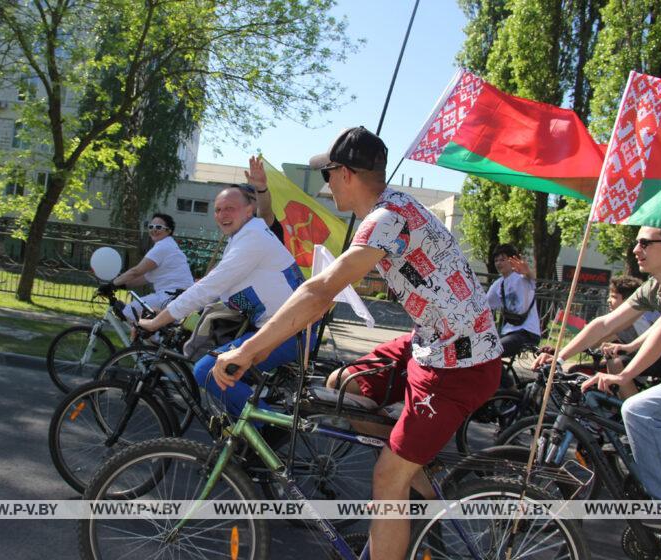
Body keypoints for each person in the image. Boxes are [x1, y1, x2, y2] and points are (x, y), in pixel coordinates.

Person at [212, 126, 503, 559]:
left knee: (386, 478)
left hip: (460, 365)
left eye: (327, 174)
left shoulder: (387, 219)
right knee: (345, 382)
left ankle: (402, 474)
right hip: (432, 342)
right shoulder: (392, 209)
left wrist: (248, 349)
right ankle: (416, 470)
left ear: (346, 173)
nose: (325, 184)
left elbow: (319, 291)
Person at [137, 170, 314, 418]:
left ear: (249, 210)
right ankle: (243, 433)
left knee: (208, 371)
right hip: (279, 327)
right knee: (221, 366)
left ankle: (263, 435)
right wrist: (174, 311)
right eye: (218, 210)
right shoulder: (242, 237)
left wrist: (158, 321)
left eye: (230, 208)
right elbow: (217, 287)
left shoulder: (252, 238)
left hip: (290, 332)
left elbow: (210, 286)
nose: (222, 215)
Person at [534, 226, 661, 500]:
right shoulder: (655, 287)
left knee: (638, 410)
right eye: (636, 243)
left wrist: (624, 376)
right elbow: (604, 324)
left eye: (645, 243)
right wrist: (560, 357)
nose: (636, 249)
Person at [108, 213, 194, 323]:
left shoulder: (163, 247)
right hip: (177, 296)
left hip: (170, 296)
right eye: (151, 227)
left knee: (129, 311)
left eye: (158, 227)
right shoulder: (169, 245)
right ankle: (156, 338)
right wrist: (123, 285)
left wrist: (112, 284)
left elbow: (136, 271)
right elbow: (146, 278)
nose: (154, 230)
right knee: (147, 323)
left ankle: (156, 339)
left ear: (169, 230)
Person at [485, 244, 541, 363]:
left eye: (503, 259)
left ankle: (506, 382)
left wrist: (527, 271)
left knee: (492, 352)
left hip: (527, 333)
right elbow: (484, 305)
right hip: (508, 332)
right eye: (496, 260)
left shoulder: (522, 278)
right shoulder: (498, 284)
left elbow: (531, 277)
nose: (499, 263)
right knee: (483, 351)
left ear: (512, 261)